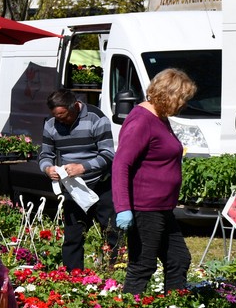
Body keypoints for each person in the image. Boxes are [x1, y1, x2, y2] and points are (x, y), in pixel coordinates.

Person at [112, 68, 196, 295]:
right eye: (182, 100)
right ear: (169, 95)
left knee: (178, 259)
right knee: (143, 265)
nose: (183, 106)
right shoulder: (141, 121)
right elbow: (121, 164)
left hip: (162, 208)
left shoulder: (160, 118)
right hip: (144, 207)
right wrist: (123, 208)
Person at [38, 88, 117, 271]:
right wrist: (48, 168)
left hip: (102, 184)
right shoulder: (51, 124)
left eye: (63, 116)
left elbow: (108, 154)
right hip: (73, 189)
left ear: (74, 106)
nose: (60, 120)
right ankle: (73, 279)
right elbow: (45, 155)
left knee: (112, 233)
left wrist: (83, 167)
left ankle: (116, 274)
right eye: (56, 116)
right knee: (73, 237)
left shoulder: (97, 118)